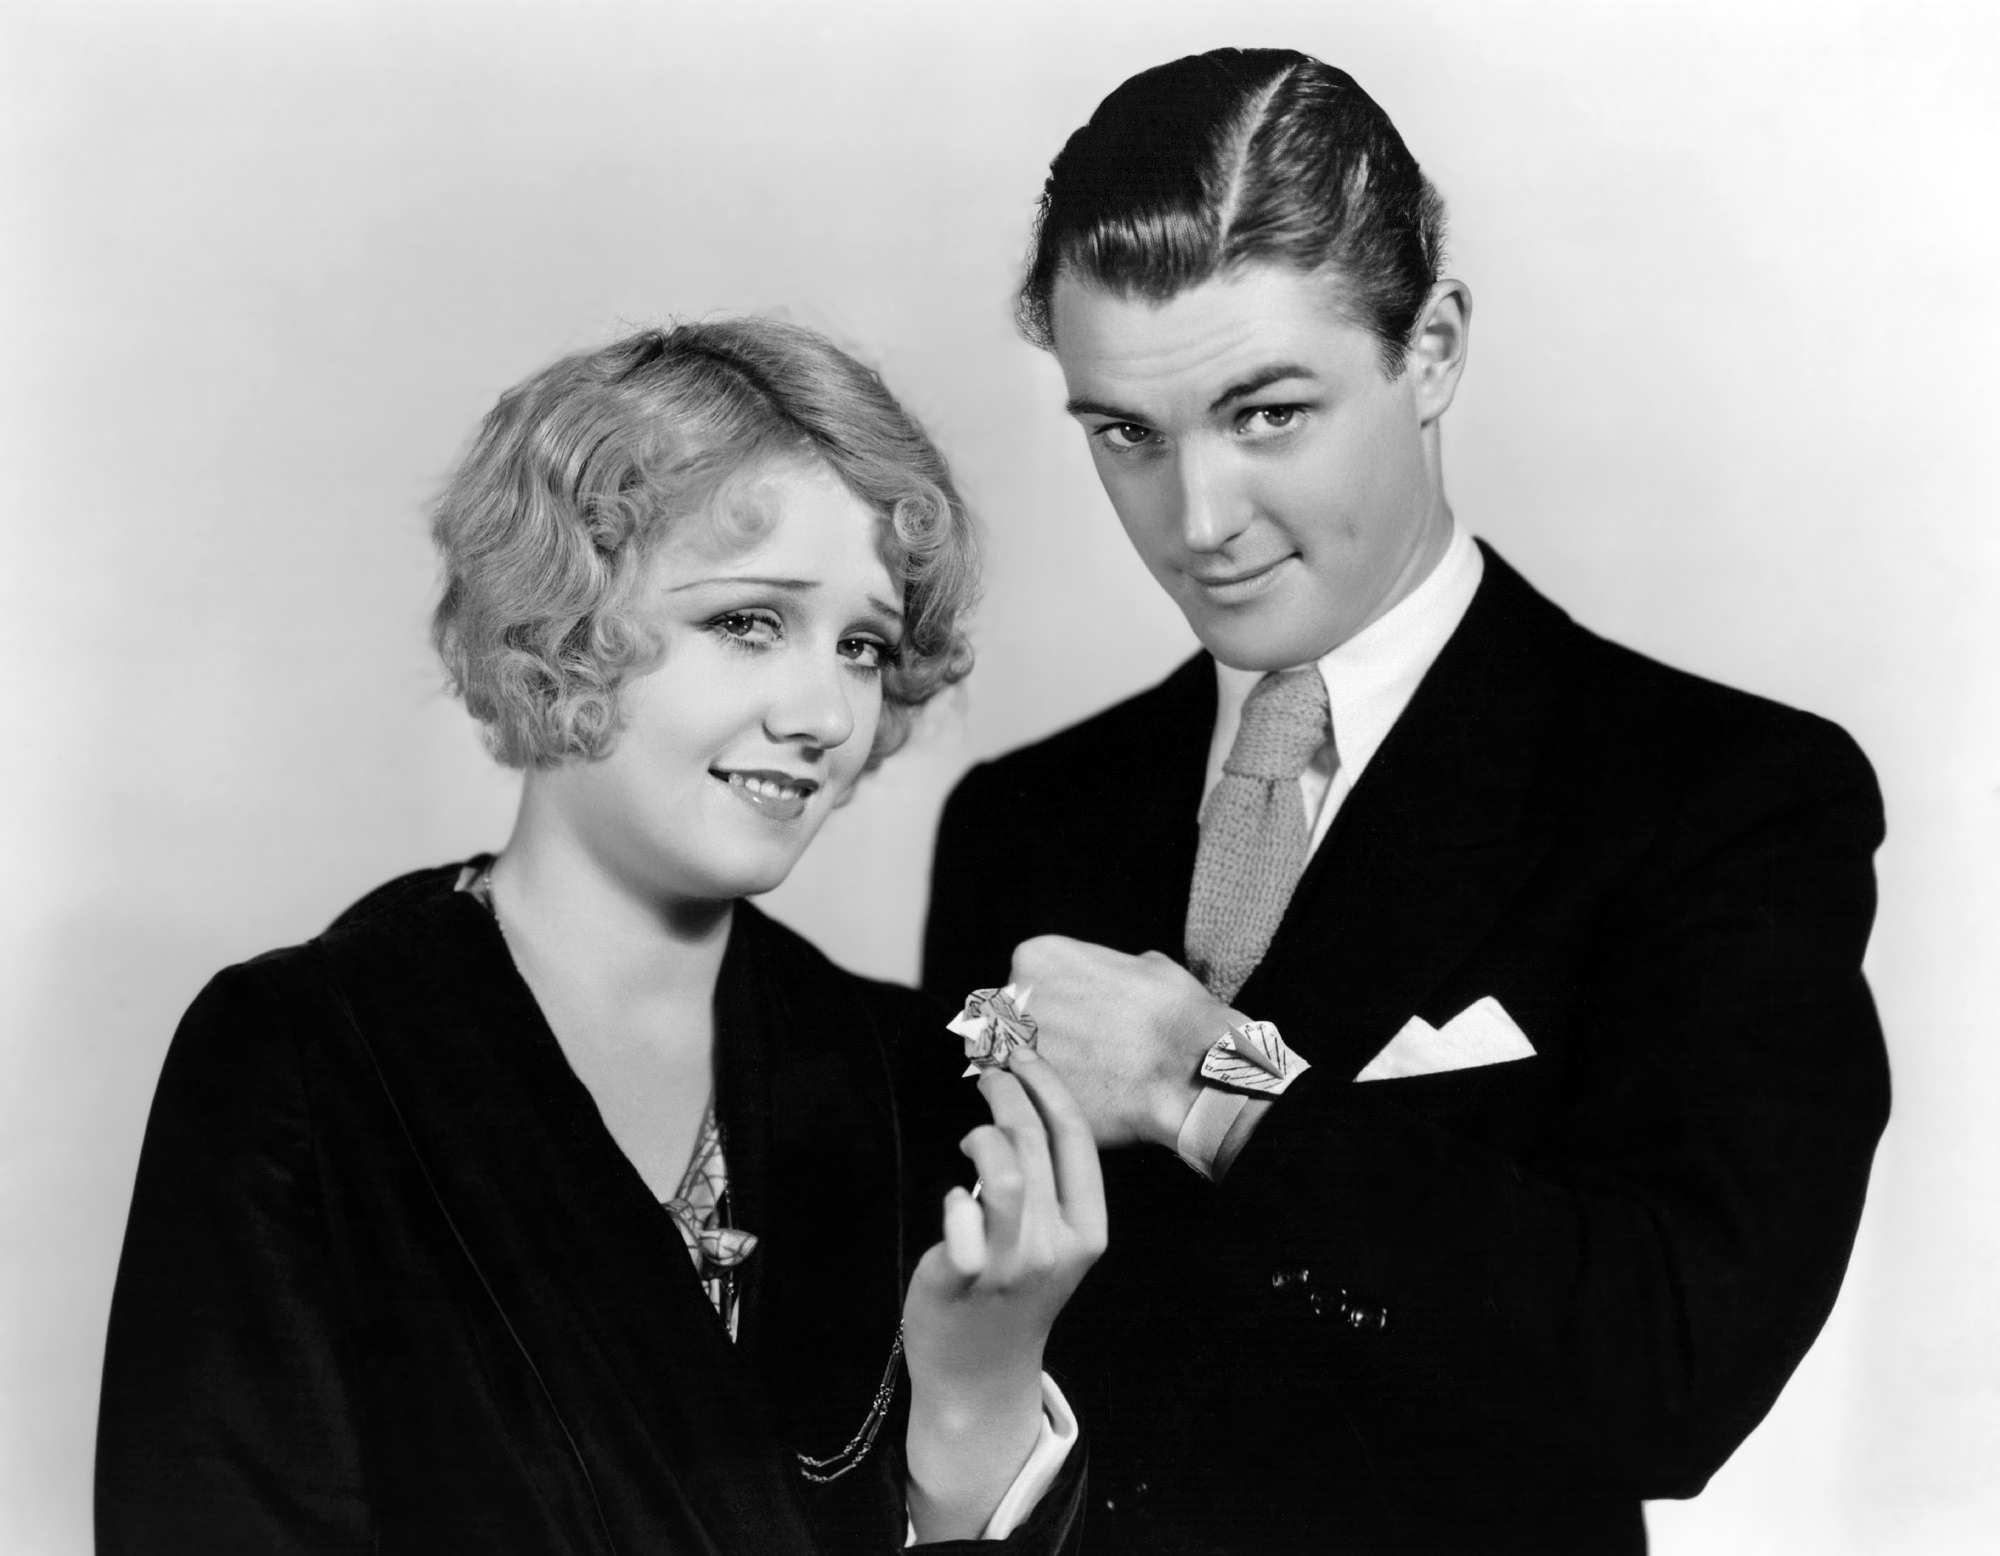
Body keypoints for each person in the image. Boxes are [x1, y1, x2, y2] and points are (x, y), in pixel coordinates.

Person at [922, 48, 1889, 1555]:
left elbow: (1677, 1369)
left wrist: (1207, 1089)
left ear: (1430, 348)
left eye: (1266, 413)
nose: (1197, 519)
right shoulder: (1020, 818)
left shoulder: (1723, 794)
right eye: (1126, 433)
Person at [97, 320, 1106, 1554]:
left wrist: (976, 1397)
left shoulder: (908, 1072)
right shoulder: (299, 1057)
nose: (825, 713)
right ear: (563, 622)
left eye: (862, 646)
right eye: (748, 621)